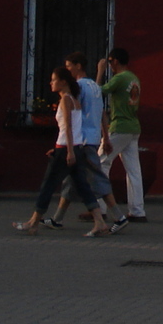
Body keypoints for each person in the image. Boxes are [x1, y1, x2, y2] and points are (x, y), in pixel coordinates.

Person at [13, 67, 110, 237]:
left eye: (54, 79)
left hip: (66, 150)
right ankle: (100, 222)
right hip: (75, 148)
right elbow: (73, 128)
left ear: (63, 81)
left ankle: (33, 223)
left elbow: (69, 127)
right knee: (83, 186)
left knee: (48, 185)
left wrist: (69, 151)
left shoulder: (66, 100)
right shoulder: (75, 100)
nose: (51, 83)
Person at [52, 51, 127, 231]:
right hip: (91, 138)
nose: (67, 70)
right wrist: (105, 137)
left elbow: (74, 115)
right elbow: (101, 112)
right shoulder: (94, 86)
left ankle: (119, 216)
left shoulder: (78, 87)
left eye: (69, 66)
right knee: (72, 179)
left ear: (78, 66)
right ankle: (57, 218)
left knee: (96, 177)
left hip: (82, 140)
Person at [96, 47, 145, 222]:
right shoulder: (134, 78)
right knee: (134, 171)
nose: (109, 65)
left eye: (109, 62)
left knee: (101, 163)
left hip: (120, 126)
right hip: (133, 127)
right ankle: (137, 210)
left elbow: (97, 92)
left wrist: (99, 72)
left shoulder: (119, 78)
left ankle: (99, 209)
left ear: (115, 61)